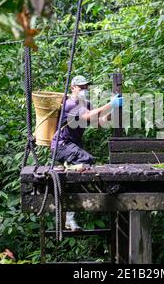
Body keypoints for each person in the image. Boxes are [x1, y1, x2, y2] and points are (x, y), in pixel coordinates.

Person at [51, 75, 123, 231]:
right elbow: (88, 116)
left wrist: (113, 110)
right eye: (81, 87)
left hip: (73, 147)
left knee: (73, 183)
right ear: (73, 88)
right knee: (87, 159)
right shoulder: (70, 104)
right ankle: (69, 167)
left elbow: (99, 122)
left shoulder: (86, 104)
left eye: (86, 87)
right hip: (61, 146)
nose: (85, 90)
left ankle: (69, 220)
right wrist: (110, 103)